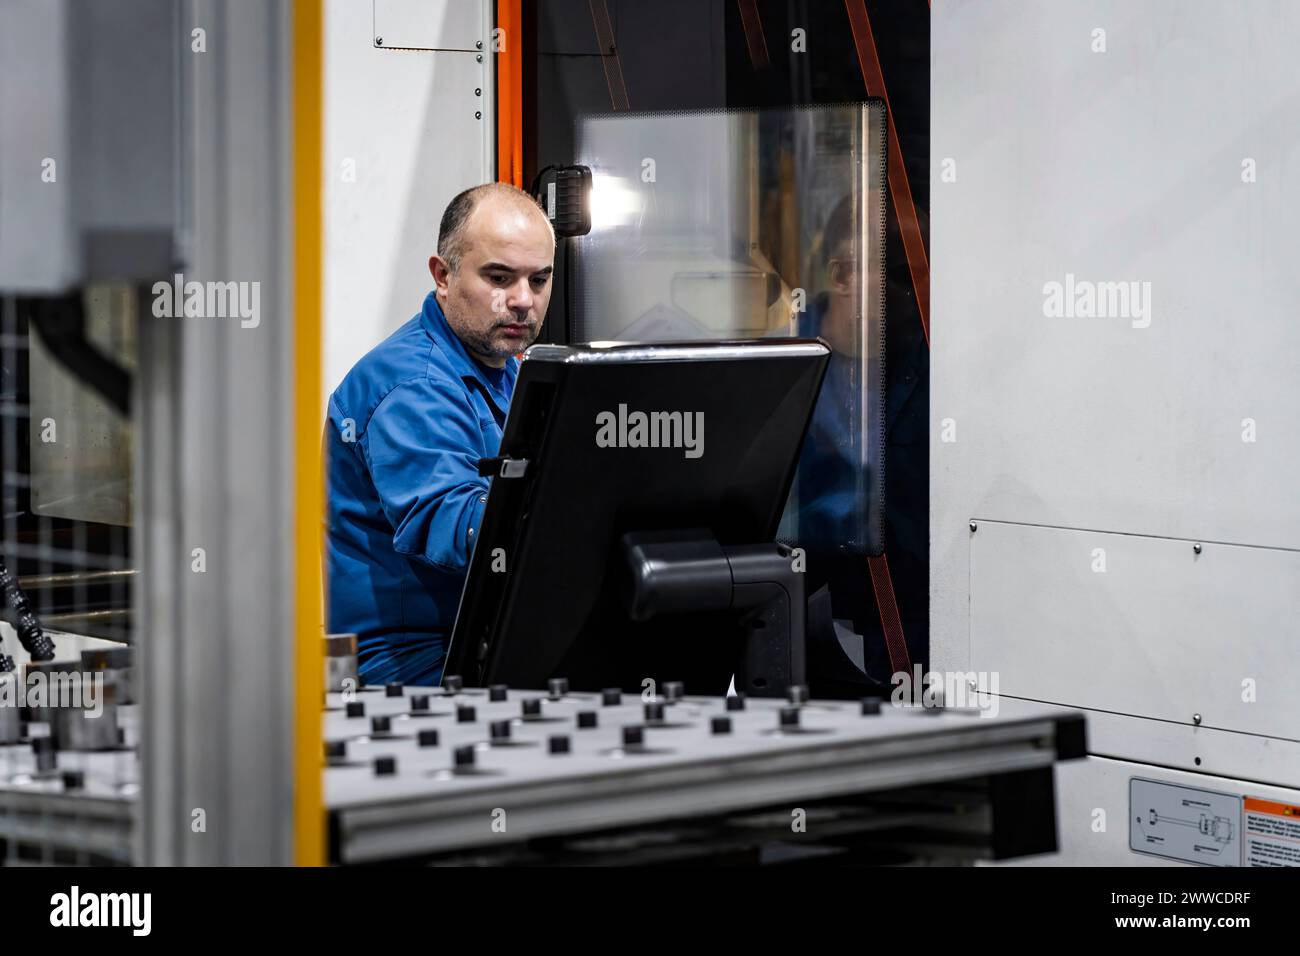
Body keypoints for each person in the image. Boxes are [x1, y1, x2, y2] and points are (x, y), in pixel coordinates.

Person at [325, 183, 555, 685]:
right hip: (408, 666)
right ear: (443, 275)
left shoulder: (502, 367)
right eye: (499, 277)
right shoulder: (412, 384)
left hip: (480, 639)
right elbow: (458, 525)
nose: (523, 301)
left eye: (539, 280)